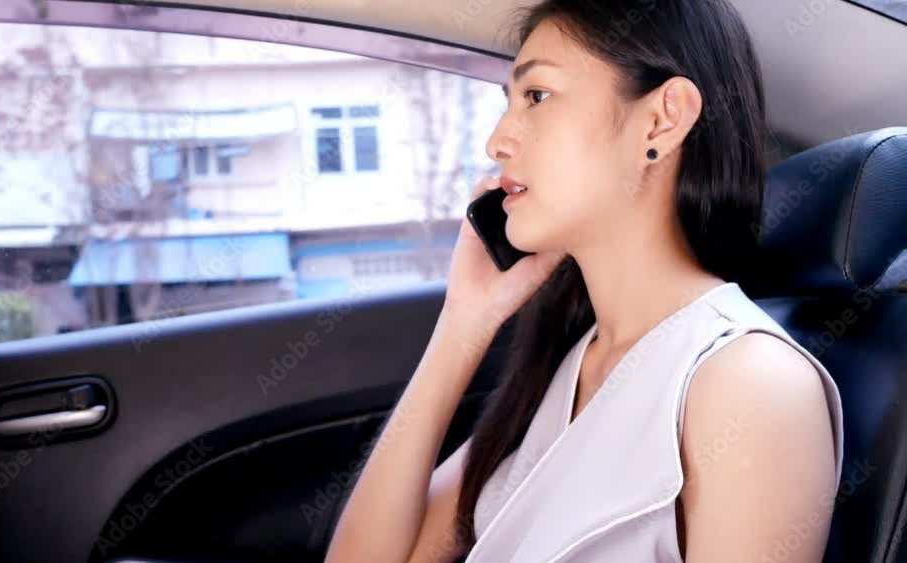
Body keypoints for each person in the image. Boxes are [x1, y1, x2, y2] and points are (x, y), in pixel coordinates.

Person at [324, 1, 844, 562]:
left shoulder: (749, 386)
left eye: (537, 96)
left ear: (661, 120)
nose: (496, 142)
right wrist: (464, 321)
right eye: (510, 101)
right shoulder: (570, 363)